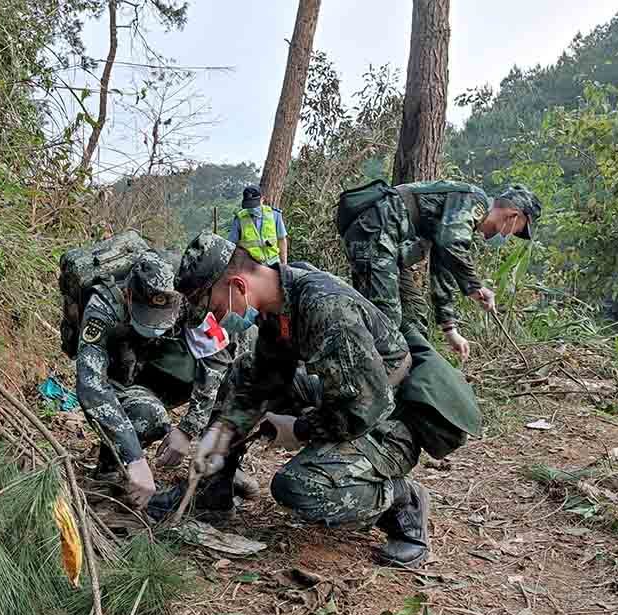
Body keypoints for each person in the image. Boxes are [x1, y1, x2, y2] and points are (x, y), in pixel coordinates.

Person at [149, 233, 482, 567]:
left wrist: (299, 429)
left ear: (238, 286)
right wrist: (222, 433)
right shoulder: (278, 301)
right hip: (349, 393)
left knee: (299, 487)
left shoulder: (324, 307)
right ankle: (212, 491)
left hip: (392, 417)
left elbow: (365, 408)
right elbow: (265, 378)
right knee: (243, 373)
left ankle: (402, 501)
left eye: (216, 308)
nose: (218, 319)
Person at [75, 249, 251, 509]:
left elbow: (216, 359)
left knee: (237, 373)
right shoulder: (103, 306)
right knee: (148, 415)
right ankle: (112, 466)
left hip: (159, 367)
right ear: (129, 294)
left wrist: (187, 429)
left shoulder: (189, 297)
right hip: (121, 375)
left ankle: (216, 477)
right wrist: (134, 458)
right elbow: (91, 386)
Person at [337, 180, 542, 360]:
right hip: (374, 234)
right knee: (386, 321)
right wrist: (475, 287)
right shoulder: (474, 200)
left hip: (385, 244)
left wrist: (450, 329)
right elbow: (449, 244)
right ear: (513, 216)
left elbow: (443, 266)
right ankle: (358, 379)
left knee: (415, 313)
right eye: (518, 230)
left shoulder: (462, 222)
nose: (510, 235)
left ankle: (412, 381)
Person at [229, 185, 288, 266]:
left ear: (262, 199)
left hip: (274, 263)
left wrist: (284, 264)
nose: (252, 208)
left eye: (254, 204)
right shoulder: (239, 219)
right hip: (251, 266)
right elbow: (231, 245)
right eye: (249, 205)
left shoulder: (274, 215)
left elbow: (282, 240)